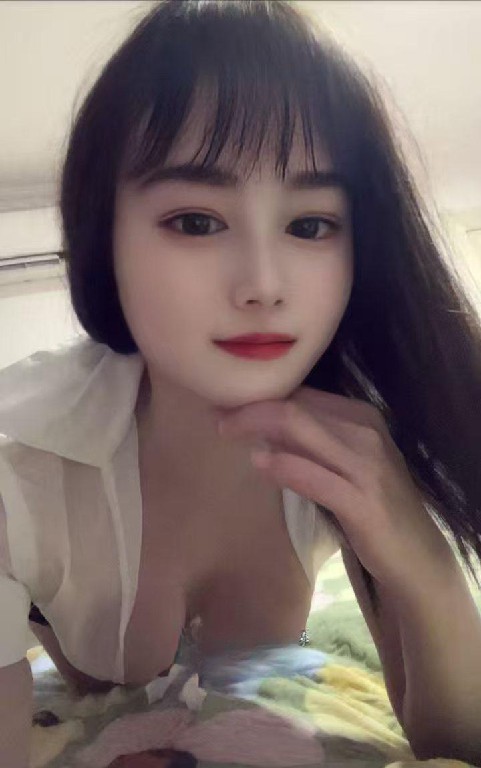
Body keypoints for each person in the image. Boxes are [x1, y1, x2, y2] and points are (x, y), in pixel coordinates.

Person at [1, 1, 481, 766]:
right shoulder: (18, 470)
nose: (263, 284)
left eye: (309, 224)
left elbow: (454, 744)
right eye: (196, 221)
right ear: (103, 236)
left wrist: (425, 567)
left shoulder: (359, 435)